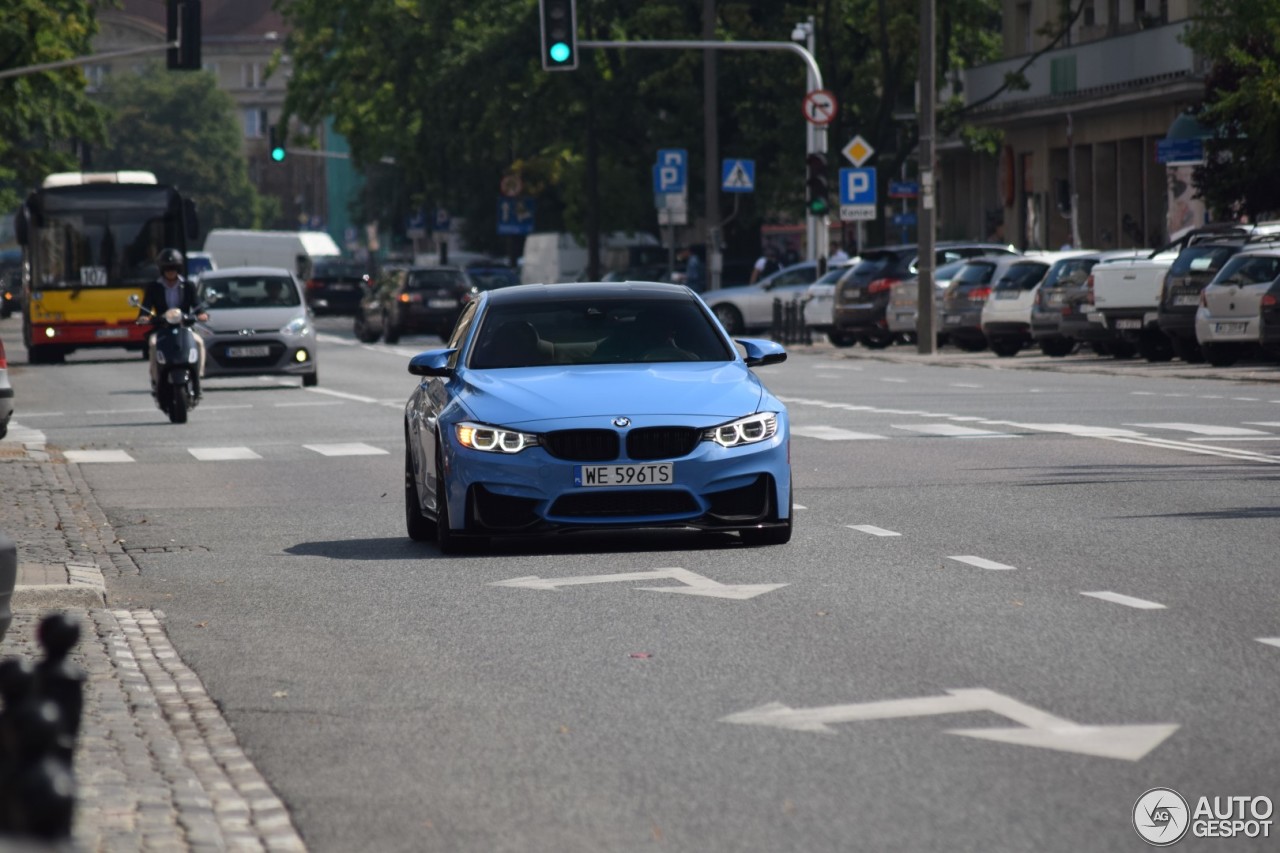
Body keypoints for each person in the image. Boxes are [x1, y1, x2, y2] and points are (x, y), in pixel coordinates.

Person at [136, 248, 207, 399]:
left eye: (174, 268)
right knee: (153, 344)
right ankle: (156, 381)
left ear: (179, 268)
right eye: (167, 268)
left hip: (184, 327)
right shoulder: (154, 287)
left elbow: (197, 304)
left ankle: (197, 378)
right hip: (162, 328)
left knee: (199, 343)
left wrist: (201, 314)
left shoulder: (188, 285)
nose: (170, 271)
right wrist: (144, 317)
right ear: (162, 269)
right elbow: (145, 308)